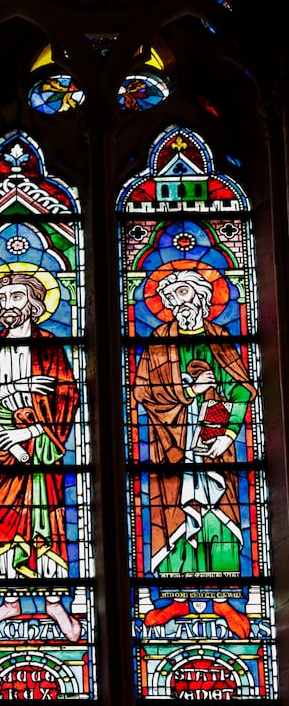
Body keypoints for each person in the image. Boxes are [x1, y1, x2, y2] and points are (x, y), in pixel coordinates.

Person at [132, 266, 256, 637]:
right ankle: (174, 599)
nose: (179, 304)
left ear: (202, 298)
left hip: (215, 443)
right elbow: (142, 392)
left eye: (185, 294)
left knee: (218, 516)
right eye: (172, 298)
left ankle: (223, 600)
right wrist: (188, 393)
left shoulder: (219, 339)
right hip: (170, 445)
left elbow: (241, 389)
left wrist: (228, 434)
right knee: (173, 518)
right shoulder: (158, 340)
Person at [0, 270, 82, 641]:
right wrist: (17, 388)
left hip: (38, 450)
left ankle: (53, 603)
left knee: (44, 523)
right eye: (1, 300)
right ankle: (9, 601)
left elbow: (66, 400)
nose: (5, 307)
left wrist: (29, 432)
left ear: (33, 303)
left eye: (15, 298)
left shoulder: (49, 348)